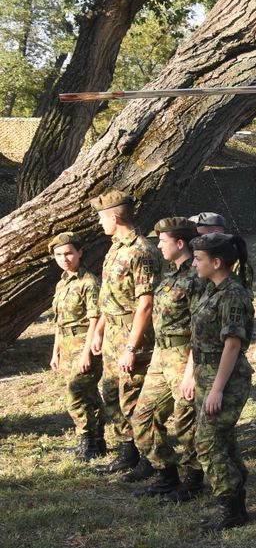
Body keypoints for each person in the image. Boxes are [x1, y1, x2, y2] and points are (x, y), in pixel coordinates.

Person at [128, 218, 208, 499]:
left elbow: (201, 331)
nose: (158, 245)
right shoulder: (170, 274)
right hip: (162, 356)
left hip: (185, 357)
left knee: (186, 421)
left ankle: (195, 479)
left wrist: (189, 371)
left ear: (180, 243)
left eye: (163, 241)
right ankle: (166, 474)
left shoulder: (198, 278)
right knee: (143, 416)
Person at [183, 232, 255, 531]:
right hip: (206, 374)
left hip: (224, 378)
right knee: (222, 440)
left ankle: (229, 507)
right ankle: (236, 505)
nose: (194, 264)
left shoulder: (232, 294)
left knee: (208, 442)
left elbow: (233, 345)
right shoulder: (211, 290)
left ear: (217, 261)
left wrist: (217, 390)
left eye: (199, 259)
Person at [90, 191, 160, 475]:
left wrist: (131, 347)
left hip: (134, 335)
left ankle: (149, 458)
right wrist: (98, 331)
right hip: (112, 334)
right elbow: (109, 297)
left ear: (115, 216)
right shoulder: (115, 248)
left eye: (101, 218)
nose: (100, 224)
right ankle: (128, 450)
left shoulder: (141, 251)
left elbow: (146, 303)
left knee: (134, 397)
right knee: (111, 393)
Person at [49, 233, 105, 460]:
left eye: (69, 253)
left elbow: (95, 319)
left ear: (80, 252)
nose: (64, 258)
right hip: (66, 344)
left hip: (84, 343)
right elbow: (58, 322)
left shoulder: (89, 283)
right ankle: (97, 441)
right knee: (89, 395)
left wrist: (86, 353)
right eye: (59, 255)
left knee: (75, 394)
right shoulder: (62, 283)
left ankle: (86, 441)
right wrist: (55, 352)